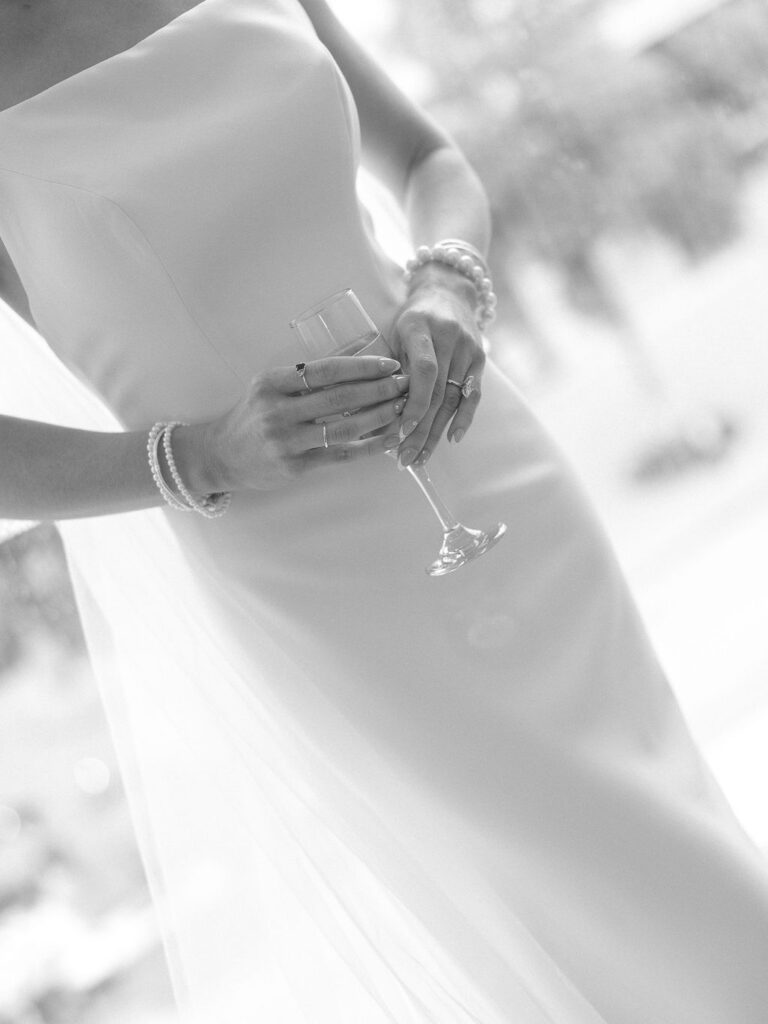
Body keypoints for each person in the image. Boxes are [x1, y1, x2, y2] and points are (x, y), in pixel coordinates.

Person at [1, 1, 767, 1021]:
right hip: (304, 563)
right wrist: (197, 454)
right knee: (597, 878)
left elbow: (429, 162)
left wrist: (447, 285)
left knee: (668, 816)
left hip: (482, 453)